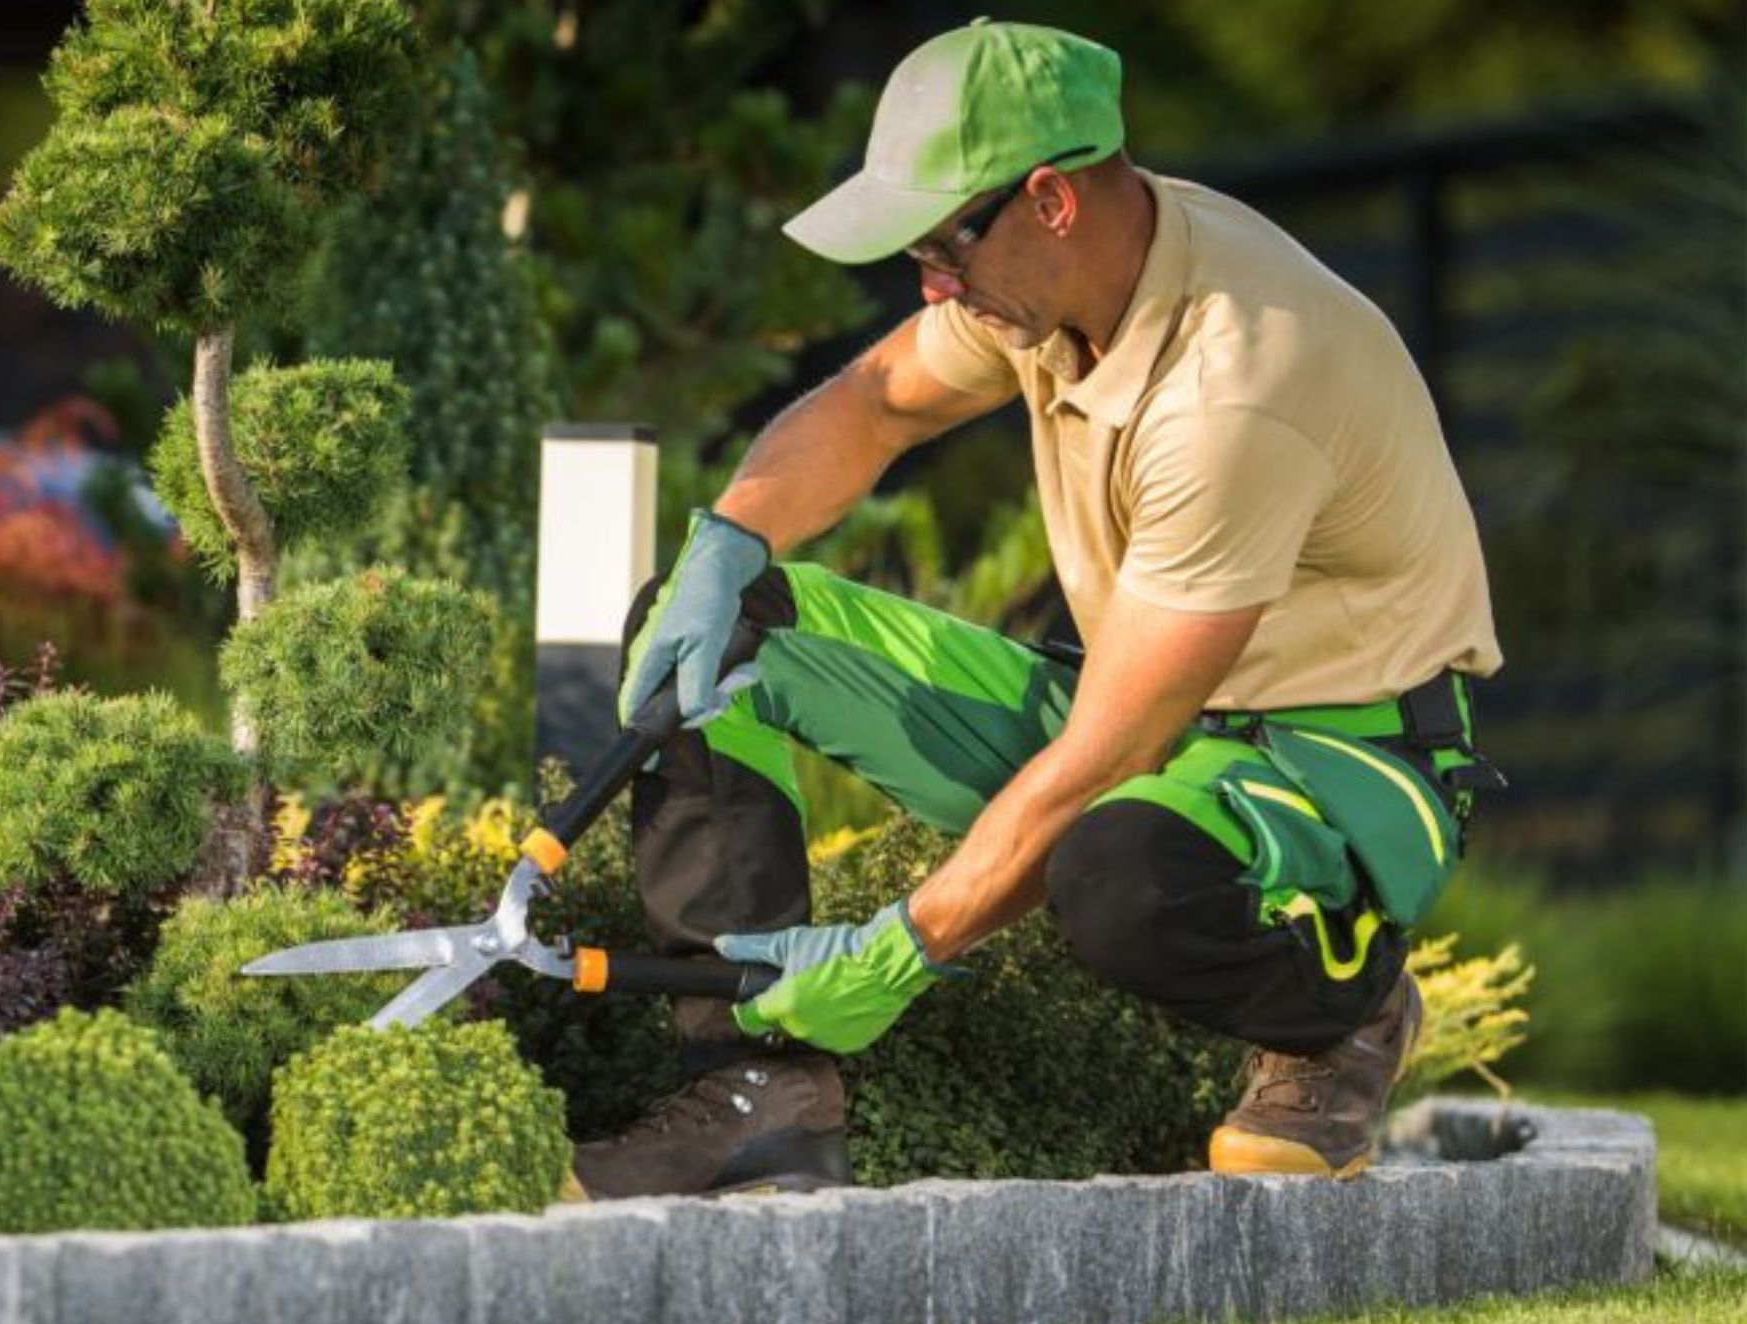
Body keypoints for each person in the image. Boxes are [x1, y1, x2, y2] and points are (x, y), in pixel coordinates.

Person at [571, 19, 1502, 1200]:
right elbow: (871, 406)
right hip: (1148, 708)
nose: (929, 284)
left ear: (1051, 200)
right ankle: (761, 1092)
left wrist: (898, 947)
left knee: (1117, 872)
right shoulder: (1052, 287)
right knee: (706, 634)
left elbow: (1107, 756)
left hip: (1337, 763)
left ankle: (1348, 1006)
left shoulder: (1236, 388)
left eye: (942, 245)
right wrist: (726, 537)